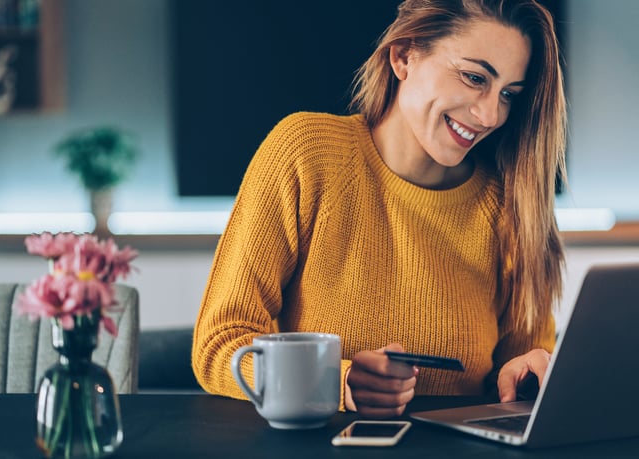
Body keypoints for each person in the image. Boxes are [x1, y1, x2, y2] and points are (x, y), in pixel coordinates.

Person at [192, 0, 567, 419]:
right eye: (474, 77)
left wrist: (526, 372)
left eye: (508, 95)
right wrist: (337, 382)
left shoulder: (509, 201)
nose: (489, 114)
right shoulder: (305, 155)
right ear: (404, 56)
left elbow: (526, 364)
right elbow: (220, 343)